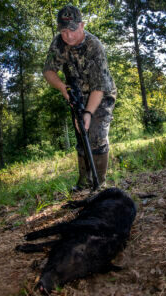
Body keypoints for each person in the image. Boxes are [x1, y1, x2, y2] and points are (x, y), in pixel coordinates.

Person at [43, 5, 116, 191]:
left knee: (97, 135)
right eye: (63, 30)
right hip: (76, 94)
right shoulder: (59, 43)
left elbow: (99, 87)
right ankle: (84, 182)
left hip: (101, 93)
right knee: (81, 135)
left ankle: (99, 184)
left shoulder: (94, 46)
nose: (68, 36)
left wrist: (88, 113)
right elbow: (48, 71)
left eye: (73, 30)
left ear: (82, 25)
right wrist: (62, 88)